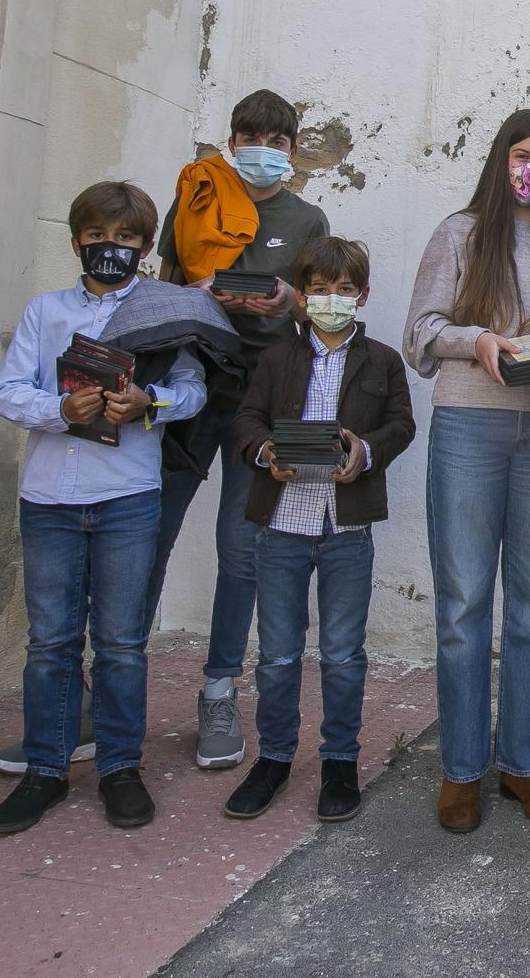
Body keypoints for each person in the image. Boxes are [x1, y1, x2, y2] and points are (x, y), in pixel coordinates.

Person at [0, 182, 207, 835]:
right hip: (50, 495)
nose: (112, 249)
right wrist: (59, 410)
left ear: (143, 245)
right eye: (99, 237)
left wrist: (150, 402)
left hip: (127, 495)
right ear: (79, 239)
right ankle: (46, 772)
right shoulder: (45, 312)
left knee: (120, 643)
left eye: (128, 239)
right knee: (51, 642)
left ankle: (119, 769)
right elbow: (7, 393)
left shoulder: (166, 314)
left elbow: (193, 391)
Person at [405, 109, 530, 834]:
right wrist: (477, 339)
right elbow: (419, 333)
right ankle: (460, 770)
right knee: (461, 607)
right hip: (469, 427)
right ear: (499, 157)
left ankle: (524, 761)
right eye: (521, 155)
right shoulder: (459, 233)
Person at [149, 88, 329, 770]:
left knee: (241, 549)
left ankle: (218, 691)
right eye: (251, 136)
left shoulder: (307, 217)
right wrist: (192, 301)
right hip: (190, 391)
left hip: (263, 401)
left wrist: (288, 303)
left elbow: (321, 310)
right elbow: (160, 283)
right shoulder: (194, 198)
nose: (264, 149)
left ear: (291, 148)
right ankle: (109, 687)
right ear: (232, 139)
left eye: (277, 140)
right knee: (149, 536)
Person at [222, 238, 416, 823]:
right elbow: (247, 419)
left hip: (346, 527)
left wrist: (365, 450)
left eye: (344, 289)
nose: (332, 300)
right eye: (320, 289)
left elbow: (401, 425)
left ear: (362, 294)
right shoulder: (278, 359)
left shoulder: (382, 360)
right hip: (280, 525)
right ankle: (274, 759)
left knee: (342, 653)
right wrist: (263, 454)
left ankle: (339, 760)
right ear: (301, 296)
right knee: (278, 654)